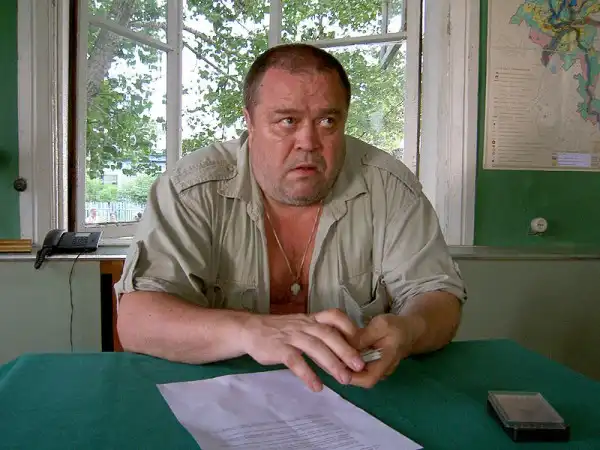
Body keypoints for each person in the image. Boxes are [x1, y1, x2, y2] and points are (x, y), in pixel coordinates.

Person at [115, 43, 466, 392]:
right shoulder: (191, 189)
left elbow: (438, 296)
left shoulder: (390, 187)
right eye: (287, 121)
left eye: (328, 121)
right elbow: (136, 321)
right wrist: (248, 331)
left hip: (358, 392)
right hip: (216, 394)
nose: (308, 142)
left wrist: (410, 329)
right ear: (250, 122)